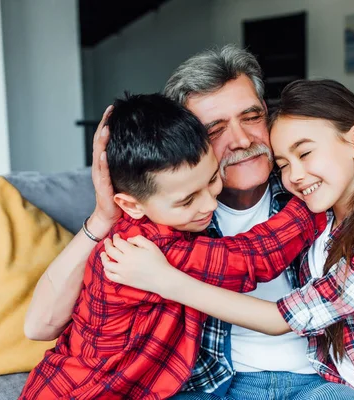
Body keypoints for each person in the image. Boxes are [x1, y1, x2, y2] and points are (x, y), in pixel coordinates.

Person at [25, 45, 354, 399]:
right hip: (209, 384)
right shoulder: (171, 210)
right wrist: (103, 218)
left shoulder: (314, 190)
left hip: (313, 380)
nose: (240, 140)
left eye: (251, 116)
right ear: (189, 142)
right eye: (215, 128)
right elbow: (41, 326)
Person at [20, 93, 335, 400]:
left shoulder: (171, 217)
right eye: (187, 200)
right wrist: (321, 191)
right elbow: (254, 257)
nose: (209, 204)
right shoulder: (145, 247)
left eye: (213, 180)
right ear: (131, 204)